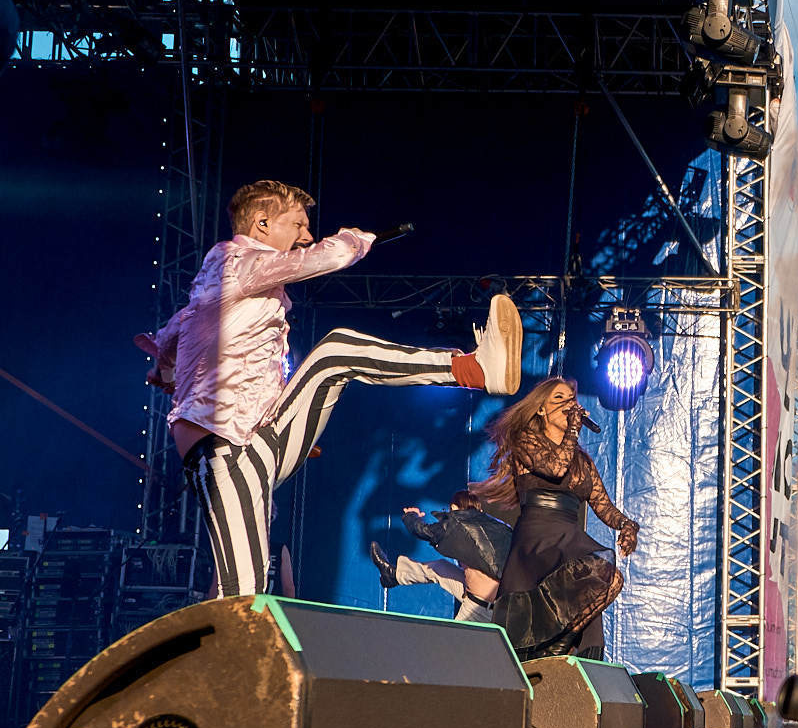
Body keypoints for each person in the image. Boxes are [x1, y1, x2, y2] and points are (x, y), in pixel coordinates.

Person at [140, 180, 522, 597]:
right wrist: (355, 240)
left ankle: (472, 369)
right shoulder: (236, 260)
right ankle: (223, 657)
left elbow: (177, 333)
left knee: (335, 354)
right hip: (222, 452)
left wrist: (167, 365)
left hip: (254, 438)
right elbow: (318, 259)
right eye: (299, 225)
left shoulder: (220, 285)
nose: (306, 236)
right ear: (262, 224)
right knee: (241, 591)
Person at [470, 378, 638, 660]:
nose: (569, 404)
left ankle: (560, 646)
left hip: (567, 536)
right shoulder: (526, 440)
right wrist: (573, 427)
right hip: (539, 536)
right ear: (541, 410)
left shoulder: (583, 462)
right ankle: (553, 646)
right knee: (604, 576)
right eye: (559, 399)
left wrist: (626, 525)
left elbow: (604, 506)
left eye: (572, 398)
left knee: (611, 582)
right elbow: (556, 468)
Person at [370, 501, 515, 622]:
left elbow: (423, 531)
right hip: (479, 596)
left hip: (480, 609)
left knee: (452, 651)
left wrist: (410, 516)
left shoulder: (463, 529)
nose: (449, 513)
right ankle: (392, 575)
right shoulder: (495, 526)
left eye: (451, 508)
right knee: (440, 567)